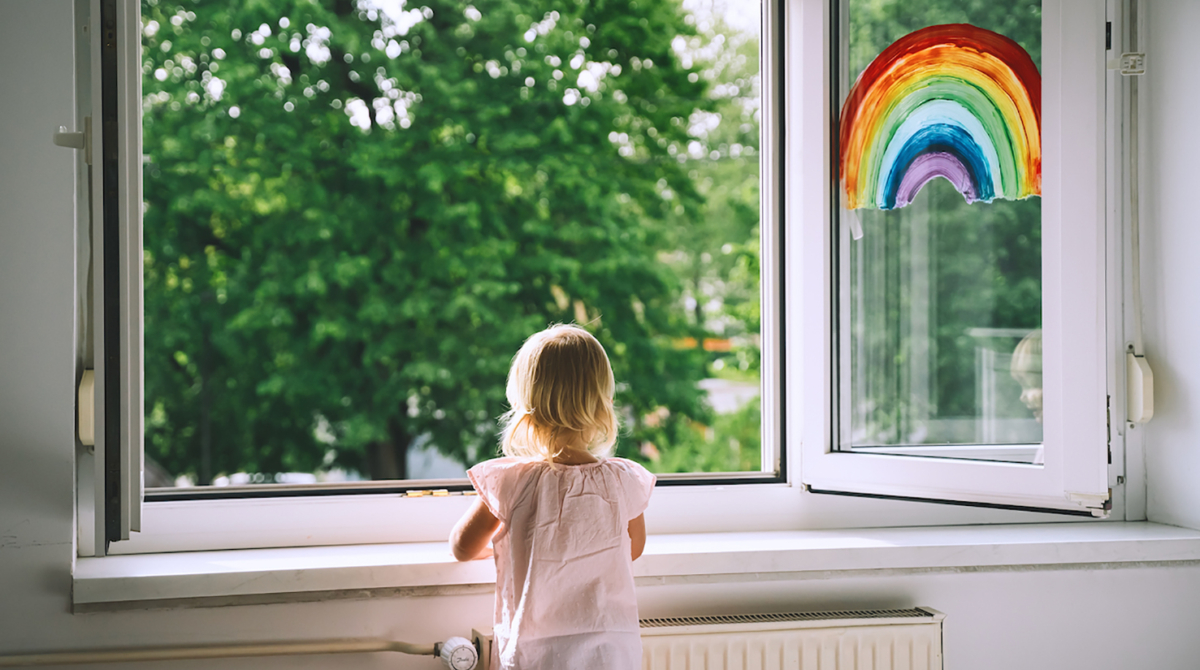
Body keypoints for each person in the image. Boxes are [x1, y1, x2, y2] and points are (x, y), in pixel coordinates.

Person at [450, 324, 656, 670]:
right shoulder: (622, 481)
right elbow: (632, 547)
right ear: (603, 405)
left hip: (537, 654)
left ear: (525, 409)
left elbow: (462, 547)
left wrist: (507, 544)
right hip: (610, 652)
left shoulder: (512, 481)